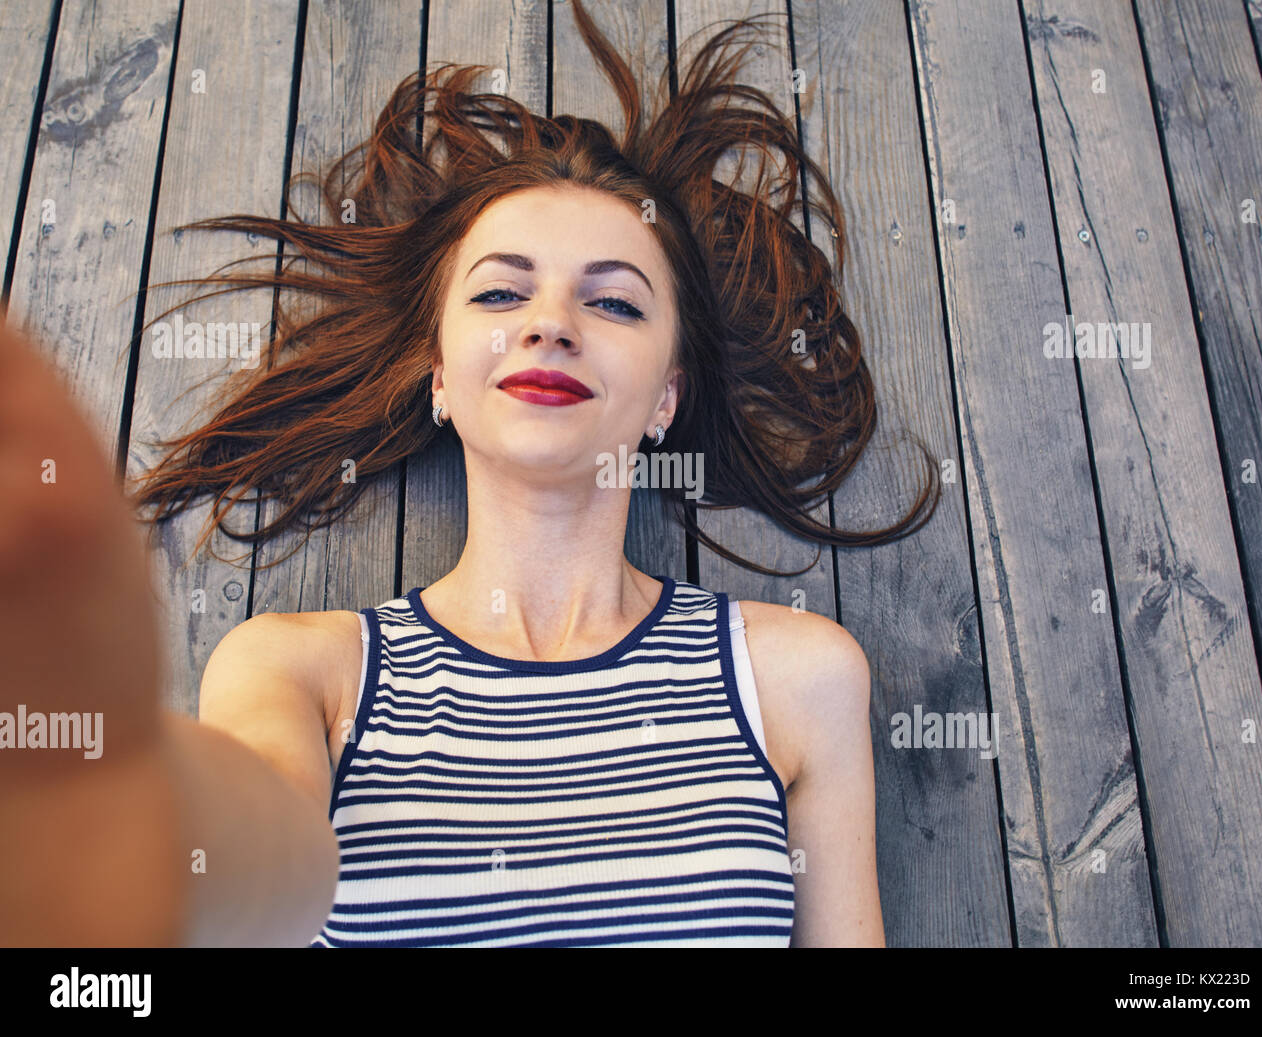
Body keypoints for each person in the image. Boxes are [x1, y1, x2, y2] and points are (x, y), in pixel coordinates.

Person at [1, 1, 939, 947]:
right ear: (440, 376)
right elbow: (252, 868)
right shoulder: (302, 671)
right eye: (500, 290)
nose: (551, 322)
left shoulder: (795, 677)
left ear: (667, 399)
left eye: (613, 301)